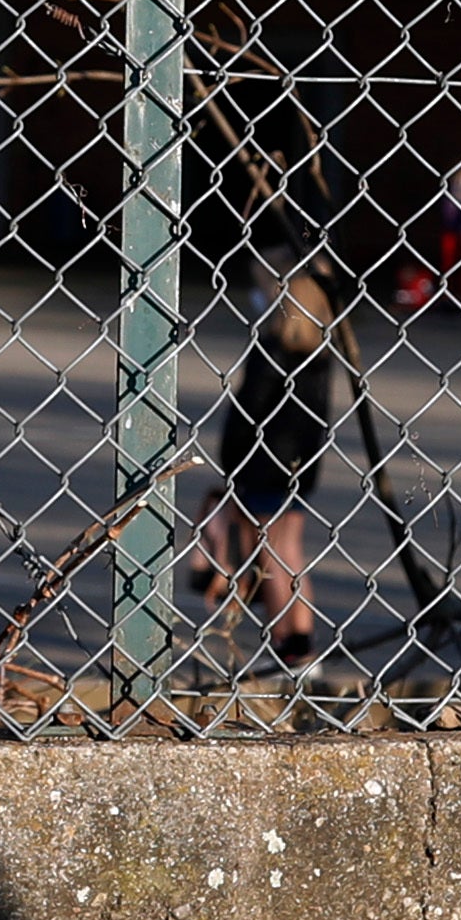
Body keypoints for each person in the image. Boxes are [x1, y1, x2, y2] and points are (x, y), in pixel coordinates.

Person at [190, 264, 344, 676]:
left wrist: (232, 459)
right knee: (289, 551)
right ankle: (301, 644)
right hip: (297, 465)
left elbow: (249, 411)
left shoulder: (272, 347)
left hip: (263, 464)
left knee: (271, 555)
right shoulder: (318, 347)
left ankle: (286, 648)